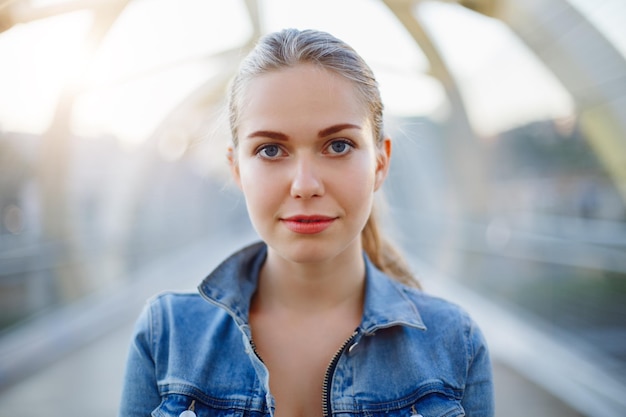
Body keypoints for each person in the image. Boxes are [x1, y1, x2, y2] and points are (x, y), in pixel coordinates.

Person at [118, 28, 494, 417]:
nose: (305, 185)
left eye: (338, 146)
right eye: (270, 150)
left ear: (380, 162)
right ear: (236, 170)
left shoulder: (455, 343)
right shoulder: (166, 337)